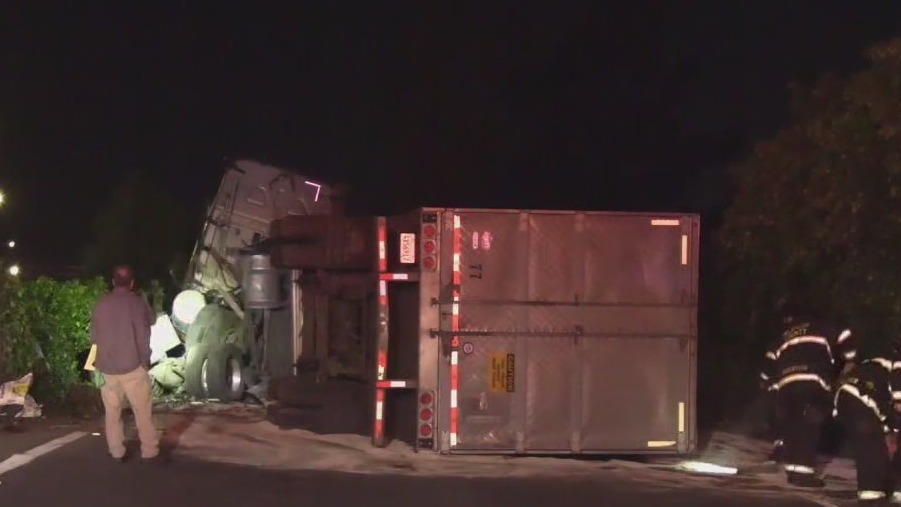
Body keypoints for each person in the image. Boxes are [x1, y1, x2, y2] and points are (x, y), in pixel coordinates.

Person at [760, 303, 857, 488]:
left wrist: (767, 384)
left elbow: (768, 365)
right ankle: (803, 475)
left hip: (786, 384)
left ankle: (792, 471)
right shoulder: (822, 326)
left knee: (792, 427)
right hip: (813, 381)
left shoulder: (784, 336)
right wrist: (850, 359)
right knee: (809, 426)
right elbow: (845, 335)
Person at [90, 265, 159, 462]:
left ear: (113, 282)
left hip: (106, 368)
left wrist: (93, 366)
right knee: (142, 411)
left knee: (112, 413)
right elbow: (144, 334)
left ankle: (116, 450)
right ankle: (149, 450)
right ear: (132, 283)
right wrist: (145, 360)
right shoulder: (137, 303)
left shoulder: (101, 304)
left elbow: (93, 338)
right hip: (132, 366)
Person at [833, 349, 900, 505]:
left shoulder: (882, 359)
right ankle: (872, 498)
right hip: (862, 396)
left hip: (847, 396)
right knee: (873, 448)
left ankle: (873, 494)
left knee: (872, 446)